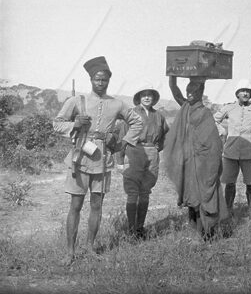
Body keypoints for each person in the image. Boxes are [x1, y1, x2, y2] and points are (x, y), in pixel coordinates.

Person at [53, 56, 143, 265]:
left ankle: (90, 247)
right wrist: (74, 123)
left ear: (109, 81)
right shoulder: (77, 101)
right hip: (79, 158)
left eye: (104, 80)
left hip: (102, 160)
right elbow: (57, 124)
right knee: (75, 205)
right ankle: (70, 252)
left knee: (96, 204)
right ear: (91, 80)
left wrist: (124, 143)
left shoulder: (117, 103)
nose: (101, 83)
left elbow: (136, 122)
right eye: (97, 79)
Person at [163, 76, 229, 238]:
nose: (190, 94)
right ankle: (195, 231)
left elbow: (212, 142)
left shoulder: (205, 113)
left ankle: (206, 233)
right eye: (188, 91)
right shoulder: (186, 107)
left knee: (202, 195)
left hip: (202, 162)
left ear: (201, 93)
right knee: (190, 194)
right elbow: (176, 92)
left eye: (194, 91)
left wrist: (208, 163)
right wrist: (172, 77)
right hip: (187, 160)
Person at [213, 80, 251, 216]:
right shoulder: (229, 108)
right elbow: (214, 119)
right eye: (242, 91)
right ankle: (228, 209)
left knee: (250, 182)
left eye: (247, 91)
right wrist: (223, 132)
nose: (245, 93)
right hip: (230, 152)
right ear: (237, 94)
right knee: (230, 183)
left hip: (248, 152)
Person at [121, 86, 169, 238]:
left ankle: (140, 229)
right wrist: (120, 160)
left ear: (154, 98)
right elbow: (122, 136)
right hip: (134, 151)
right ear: (139, 97)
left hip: (152, 153)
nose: (147, 98)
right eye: (144, 95)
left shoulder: (159, 115)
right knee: (132, 192)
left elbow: (166, 135)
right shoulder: (131, 113)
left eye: (150, 95)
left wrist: (156, 148)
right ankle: (131, 230)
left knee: (145, 192)